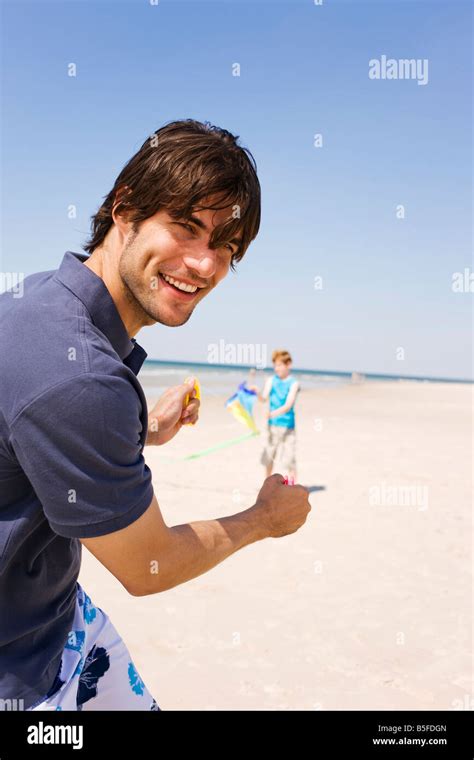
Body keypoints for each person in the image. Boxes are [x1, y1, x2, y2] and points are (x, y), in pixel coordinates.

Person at [0, 119, 311, 711]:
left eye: (226, 246)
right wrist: (264, 518)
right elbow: (149, 565)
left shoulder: (37, 298)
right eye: (186, 226)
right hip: (19, 669)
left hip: (59, 617)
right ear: (125, 210)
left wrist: (143, 429)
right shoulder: (80, 378)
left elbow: (27, 430)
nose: (203, 263)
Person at [251, 350, 300, 483]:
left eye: (279, 365)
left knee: (289, 459)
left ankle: (291, 489)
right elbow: (264, 398)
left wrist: (272, 413)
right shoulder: (271, 380)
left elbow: (288, 405)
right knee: (269, 456)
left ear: (288, 364)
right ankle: (268, 485)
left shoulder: (294, 383)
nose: (276, 368)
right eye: (275, 365)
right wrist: (257, 393)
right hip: (272, 426)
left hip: (288, 426)